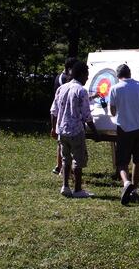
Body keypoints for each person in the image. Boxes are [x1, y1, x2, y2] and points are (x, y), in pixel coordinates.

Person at [109, 64, 139, 205]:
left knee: (122, 162)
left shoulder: (115, 88)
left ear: (118, 76)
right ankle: (134, 190)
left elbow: (112, 112)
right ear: (130, 73)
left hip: (123, 129)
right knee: (138, 160)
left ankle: (126, 183)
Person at [50, 61, 97, 198]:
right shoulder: (81, 91)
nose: (87, 78)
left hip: (62, 130)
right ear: (81, 74)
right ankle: (77, 190)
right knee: (78, 160)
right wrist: (95, 133)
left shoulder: (62, 88)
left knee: (65, 159)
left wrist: (54, 128)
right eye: (87, 75)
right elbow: (87, 116)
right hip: (76, 130)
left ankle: (65, 186)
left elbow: (53, 111)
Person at [51, 57, 77, 175]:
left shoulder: (58, 77)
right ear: (70, 68)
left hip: (60, 115)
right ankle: (63, 167)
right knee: (65, 144)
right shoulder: (66, 80)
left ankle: (59, 165)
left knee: (61, 142)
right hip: (64, 115)